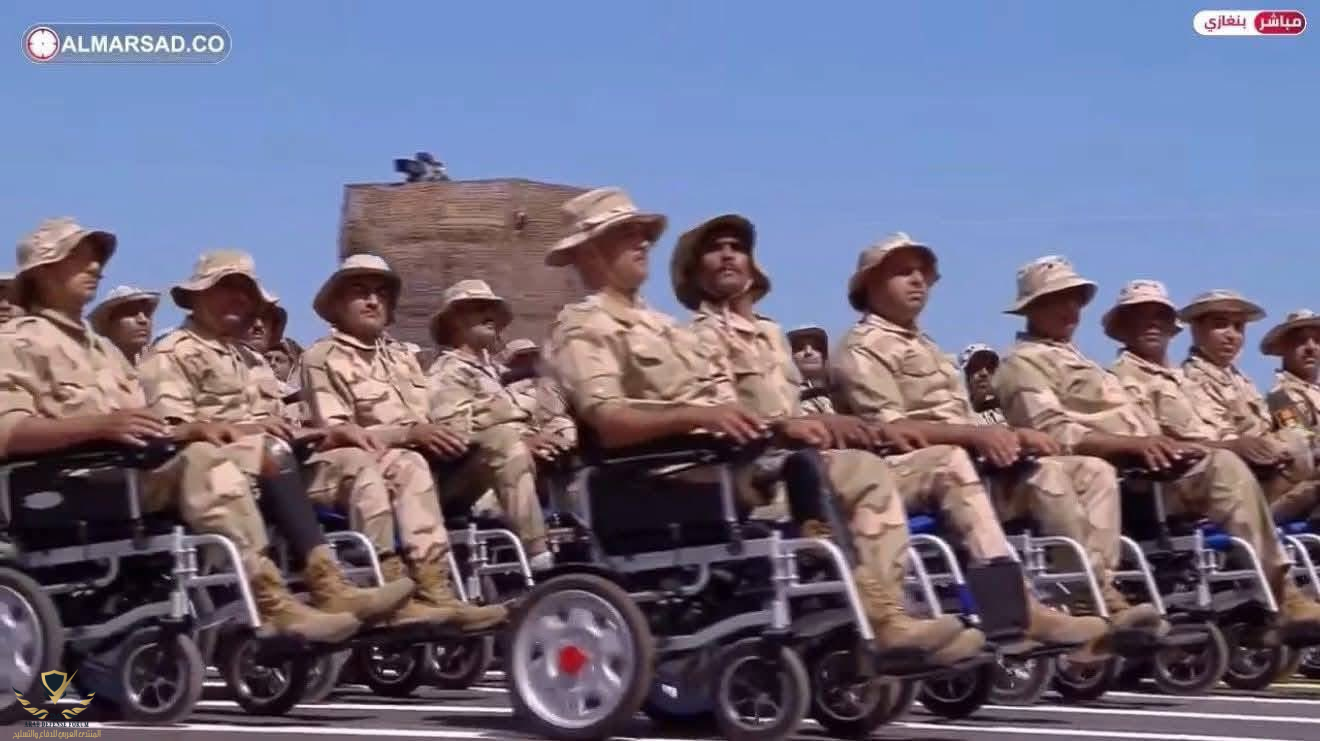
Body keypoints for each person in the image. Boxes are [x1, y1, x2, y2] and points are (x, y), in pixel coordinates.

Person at [545, 188, 984, 665]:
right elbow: (608, 421)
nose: (643, 242)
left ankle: (886, 617)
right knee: (821, 474)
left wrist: (797, 425)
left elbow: (734, 410)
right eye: (625, 234)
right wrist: (701, 417)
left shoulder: (663, 326)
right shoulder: (584, 325)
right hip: (664, 477)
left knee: (860, 469)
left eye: (643, 233)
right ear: (588, 252)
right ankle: (878, 621)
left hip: (727, 463)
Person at [0, 218, 363, 643]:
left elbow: (144, 426)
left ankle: (322, 585)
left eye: (96, 258)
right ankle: (270, 602)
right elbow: (9, 433)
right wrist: (98, 425)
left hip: (128, 472)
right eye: (79, 258)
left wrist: (193, 430)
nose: (95, 267)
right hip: (66, 483)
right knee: (205, 462)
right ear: (43, 270)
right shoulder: (16, 341)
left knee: (256, 453)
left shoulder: (102, 349)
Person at [833, 235, 1149, 638]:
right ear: (869, 285)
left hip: (964, 469)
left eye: (923, 273)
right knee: (950, 460)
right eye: (902, 272)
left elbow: (966, 423)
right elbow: (889, 430)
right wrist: (976, 436)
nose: (918, 281)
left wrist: (1013, 436)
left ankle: (1090, 595)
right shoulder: (860, 347)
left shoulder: (928, 346)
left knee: (1083, 471)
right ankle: (1018, 607)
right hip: (895, 472)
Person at [992, 256, 1320, 631]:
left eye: (1075, 299)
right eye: (1056, 299)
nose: (1070, 308)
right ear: (1031, 308)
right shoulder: (1021, 364)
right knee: (1226, 464)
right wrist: (1134, 446)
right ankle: (1101, 600)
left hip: (1154, 468)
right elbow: (1053, 434)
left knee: (1230, 464)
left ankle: (1279, 593)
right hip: (1124, 479)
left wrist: (1170, 446)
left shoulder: (1081, 360)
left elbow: (1148, 425)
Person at [138, 249, 416, 627]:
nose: (239, 299)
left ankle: (388, 582)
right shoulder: (173, 352)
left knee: (354, 462)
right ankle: (315, 587)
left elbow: (280, 423)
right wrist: (249, 431)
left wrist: (322, 433)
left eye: (246, 292)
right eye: (226, 288)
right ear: (199, 295)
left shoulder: (250, 359)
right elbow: (171, 431)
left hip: (275, 469)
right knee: (272, 450)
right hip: (212, 474)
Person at [300, 254, 507, 630]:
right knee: (405, 464)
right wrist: (408, 436)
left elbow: (429, 419)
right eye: (360, 292)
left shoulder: (402, 357)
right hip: (354, 466)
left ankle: (447, 589)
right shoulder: (322, 357)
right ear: (337, 305)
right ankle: (393, 586)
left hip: (419, 468)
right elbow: (337, 433)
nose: (372, 301)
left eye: (381, 293)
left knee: (496, 447)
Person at [426, 280, 553, 569]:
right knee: (507, 442)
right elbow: (454, 435)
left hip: (509, 468)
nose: (490, 315)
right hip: (468, 482)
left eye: (492, 309)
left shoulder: (496, 372)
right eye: (479, 308)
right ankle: (539, 556)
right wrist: (522, 439)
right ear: (455, 320)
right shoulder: (448, 372)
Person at [1179, 290, 1316, 514]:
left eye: (1238, 327)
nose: (1232, 335)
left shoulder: (1241, 381)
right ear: (1196, 329)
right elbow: (1217, 444)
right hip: (1242, 487)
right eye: (1220, 325)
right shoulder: (1281, 396)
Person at [1260, 309, 1320, 521]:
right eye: (1300, 341)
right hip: (1296, 491)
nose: (1311, 347)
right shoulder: (1279, 397)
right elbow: (1304, 443)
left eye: (1317, 341)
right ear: (1283, 349)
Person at [501, 338, 578, 453]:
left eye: (533, 355)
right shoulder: (507, 390)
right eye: (523, 356)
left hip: (554, 427)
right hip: (526, 434)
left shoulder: (550, 382)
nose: (529, 360)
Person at [89, 285, 159, 365]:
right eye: (131, 313)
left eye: (147, 314)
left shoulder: (161, 365)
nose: (143, 320)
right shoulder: (94, 366)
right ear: (107, 323)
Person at [786, 325, 836, 415]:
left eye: (816, 347)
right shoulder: (783, 396)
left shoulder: (842, 392)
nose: (808, 352)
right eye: (799, 348)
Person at [959, 344, 1008, 426]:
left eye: (990, 367)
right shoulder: (957, 413)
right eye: (976, 367)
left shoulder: (1012, 410)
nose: (984, 373)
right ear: (966, 376)